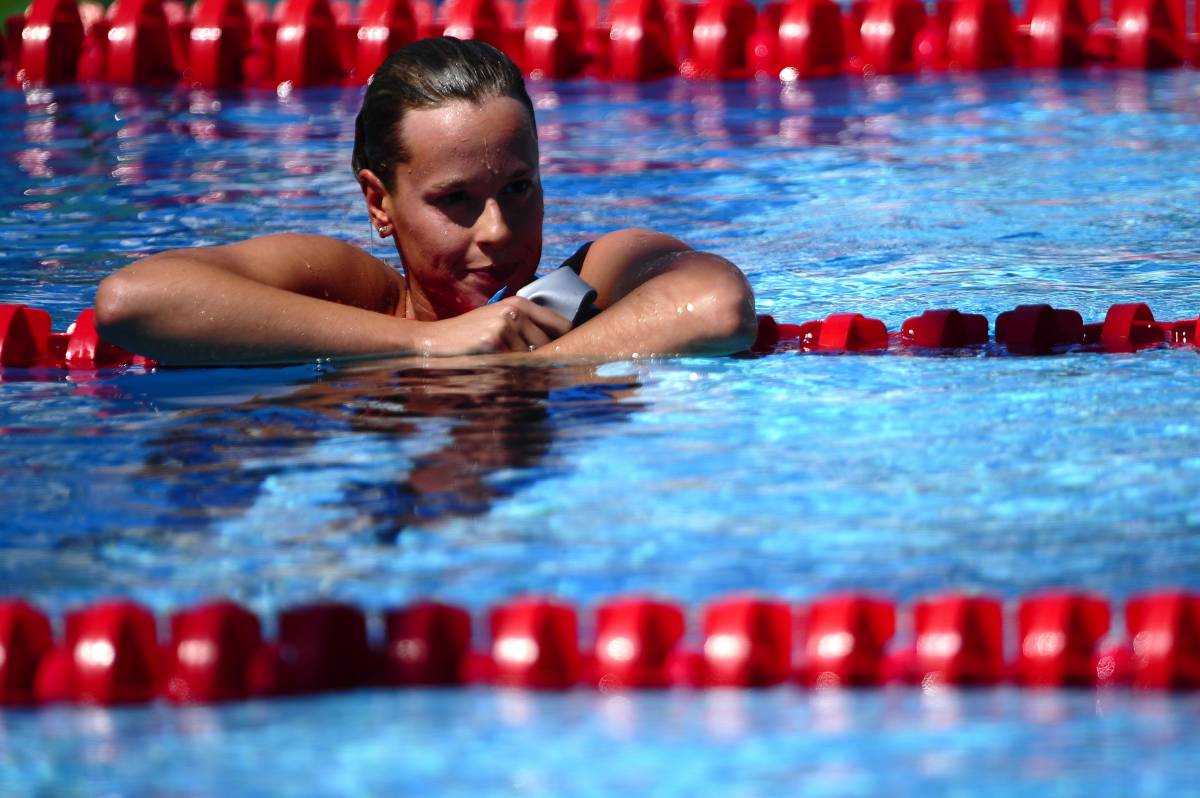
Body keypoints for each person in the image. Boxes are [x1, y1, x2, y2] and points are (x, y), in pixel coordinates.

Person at [94, 37, 757, 366]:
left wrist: (525, 371)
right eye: (456, 200)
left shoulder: (581, 290)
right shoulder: (349, 293)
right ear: (378, 202)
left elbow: (718, 306)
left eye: (518, 188)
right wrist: (429, 345)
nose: (498, 230)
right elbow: (133, 301)